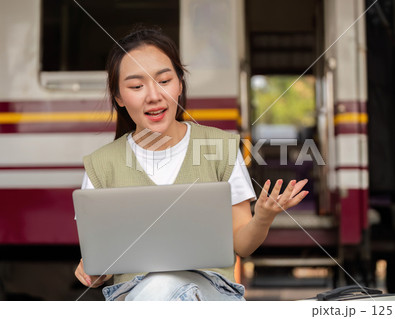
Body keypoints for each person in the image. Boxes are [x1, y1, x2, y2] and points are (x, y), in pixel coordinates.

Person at [74, 27, 309, 301]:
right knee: (162, 285)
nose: (153, 95)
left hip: (212, 294)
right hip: (137, 297)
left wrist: (263, 217)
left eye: (164, 80)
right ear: (119, 98)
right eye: (136, 86)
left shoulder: (219, 148)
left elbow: (242, 245)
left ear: (180, 84)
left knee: (168, 286)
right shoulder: (102, 166)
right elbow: (101, 265)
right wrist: (93, 272)